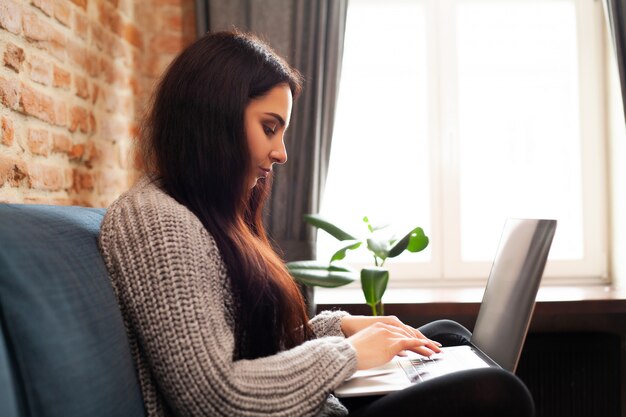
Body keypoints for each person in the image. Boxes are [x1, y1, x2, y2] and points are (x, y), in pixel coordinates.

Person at [98, 30, 535, 417]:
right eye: (270, 128)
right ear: (215, 118)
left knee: (449, 338)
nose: (281, 153)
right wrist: (346, 353)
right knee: (497, 392)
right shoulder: (156, 221)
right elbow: (216, 398)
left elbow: (256, 345)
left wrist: (337, 326)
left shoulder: (204, 213)